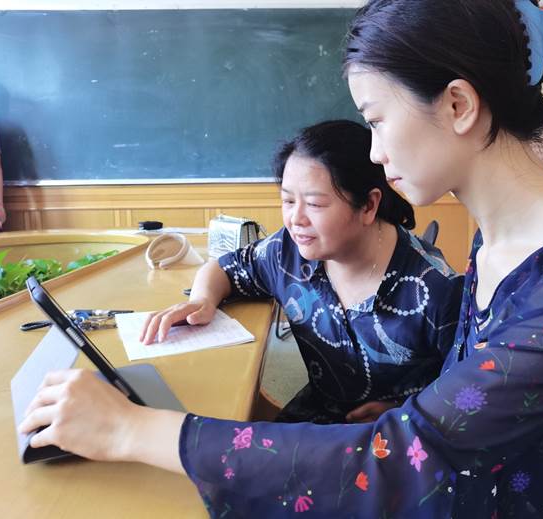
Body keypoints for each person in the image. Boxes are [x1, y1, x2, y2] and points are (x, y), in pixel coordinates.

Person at [19, 1, 543, 517]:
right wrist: (415, 408)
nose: (376, 153)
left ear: (458, 105)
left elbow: (408, 457)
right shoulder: (499, 243)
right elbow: (465, 411)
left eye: (376, 119)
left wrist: (130, 432)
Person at [141, 119, 463, 424]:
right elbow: (226, 268)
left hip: (406, 434)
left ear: (368, 205)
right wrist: (201, 300)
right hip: (319, 416)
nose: (296, 219)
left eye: (315, 204)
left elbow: (471, 390)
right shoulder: (287, 252)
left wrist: (407, 410)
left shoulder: (435, 288)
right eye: (288, 201)